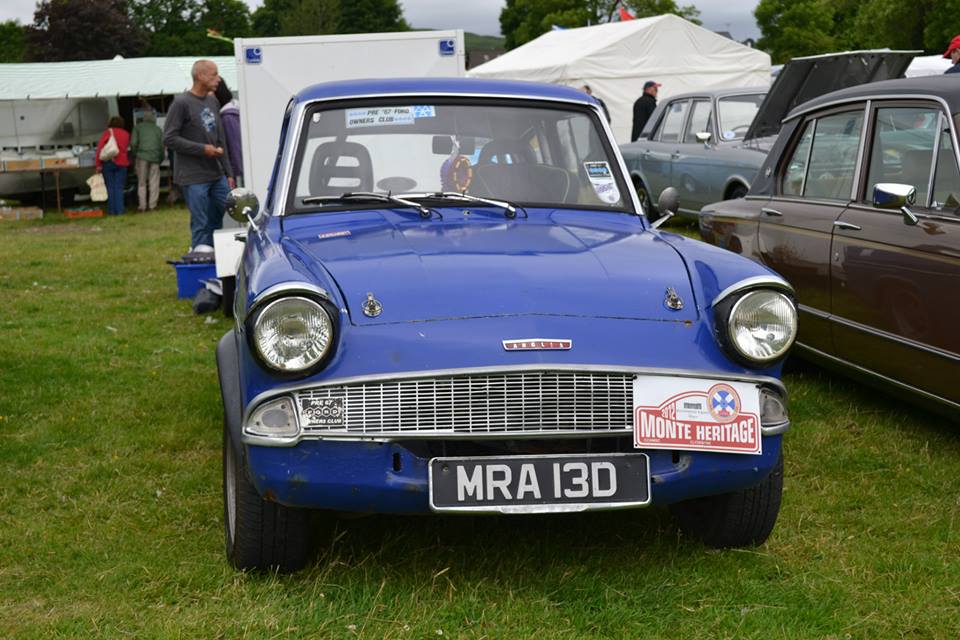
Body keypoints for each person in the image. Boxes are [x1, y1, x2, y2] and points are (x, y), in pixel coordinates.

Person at [163, 59, 235, 252]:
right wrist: (203, 149)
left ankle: (219, 254)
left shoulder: (213, 101)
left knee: (230, 211)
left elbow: (220, 139)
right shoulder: (181, 103)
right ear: (200, 76)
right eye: (214, 74)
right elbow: (169, 138)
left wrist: (229, 173)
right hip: (193, 177)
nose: (218, 79)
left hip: (216, 175)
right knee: (201, 222)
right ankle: (199, 256)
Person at [95, 115, 131, 215]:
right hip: (122, 163)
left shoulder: (108, 132)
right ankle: (120, 210)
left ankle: (112, 211)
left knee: (110, 187)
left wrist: (98, 164)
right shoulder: (126, 134)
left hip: (109, 162)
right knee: (119, 187)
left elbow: (100, 149)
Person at [130, 109, 164, 211]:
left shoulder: (137, 127)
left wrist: (136, 154)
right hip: (155, 157)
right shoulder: (158, 129)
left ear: (143, 119)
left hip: (141, 157)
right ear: (154, 119)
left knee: (141, 182)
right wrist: (160, 158)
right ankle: (153, 205)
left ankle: (142, 206)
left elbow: (133, 143)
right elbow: (162, 146)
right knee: (154, 181)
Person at [214, 78, 243, 185]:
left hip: (236, 174)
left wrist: (235, 175)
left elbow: (235, 148)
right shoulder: (232, 112)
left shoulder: (227, 118)